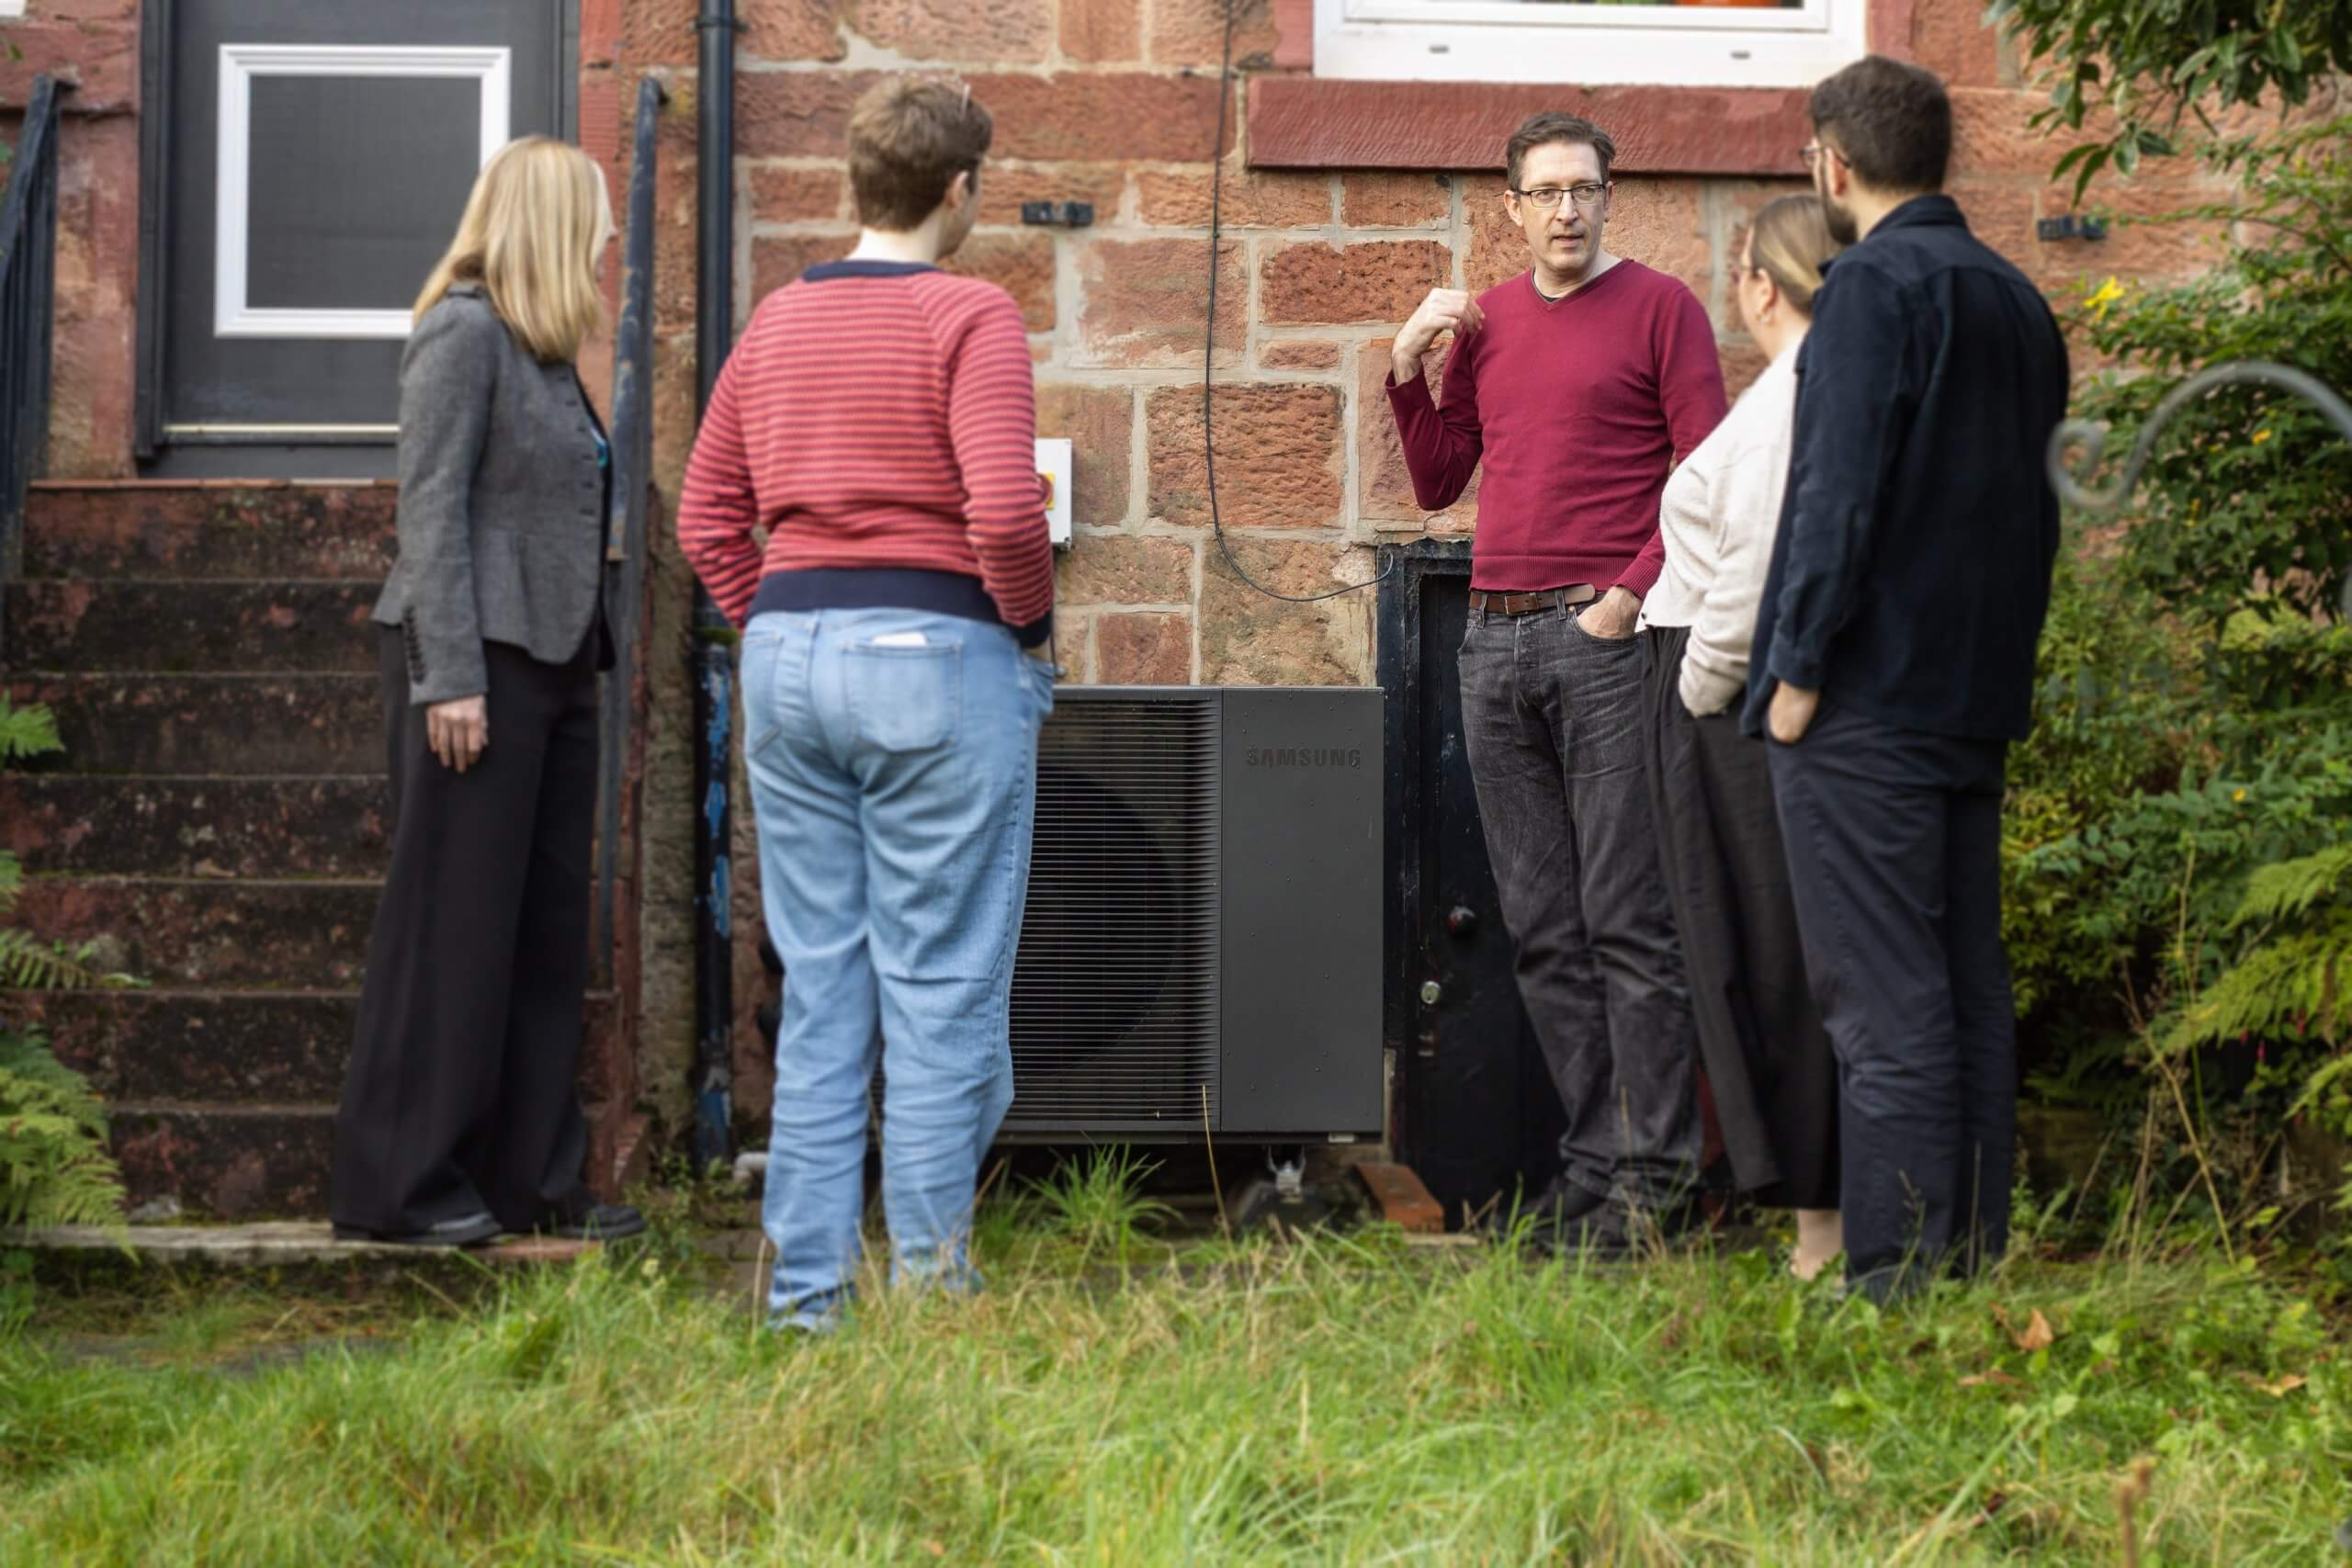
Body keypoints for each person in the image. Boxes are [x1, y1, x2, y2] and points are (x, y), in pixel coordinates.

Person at [677, 78, 1056, 1330]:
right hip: (936, 655)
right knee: (939, 987)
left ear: (858, 185)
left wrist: (777, 618)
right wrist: (1030, 627)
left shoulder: (777, 321)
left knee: (826, 986)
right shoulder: (973, 313)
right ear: (958, 191)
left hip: (786, 658)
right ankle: (936, 1286)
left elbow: (703, 518)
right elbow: (1005, 511)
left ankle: (804, 1301)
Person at [1744, 57, 2071, 1301]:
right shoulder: (2016, 298)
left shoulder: (1872, 287)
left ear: (1832, 161)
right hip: (1972, 699)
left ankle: (1895, 1287)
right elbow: (2031, 519)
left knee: (1882, 1005)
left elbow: (1838, 498)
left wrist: (1794, 673)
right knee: (1964, 990)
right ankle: (1967, 1268)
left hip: (1867, 702)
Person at [1385, 113, 1727, 1250]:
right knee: (1542, 929)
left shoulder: (1661, 308)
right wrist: (1405, 370)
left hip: (1602, 644)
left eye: (1585, 189)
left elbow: (1705, 476)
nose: (1568, 209)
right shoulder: (1486, 324)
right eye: (1546, 192)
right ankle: (1596, 1174)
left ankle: (1653, 1185)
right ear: (1513, 207)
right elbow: (1439, 482)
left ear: (1609, 197)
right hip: (1492, 643)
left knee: (1628, 922)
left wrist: (1625, 596)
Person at [333, 137, 644, 1247]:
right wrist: (449, 677)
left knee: (545, 935)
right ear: (554, 223)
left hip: (558, 664)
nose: (611, 237)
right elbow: (430, 516)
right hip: (479, 664)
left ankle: (532, 1183)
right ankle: (400, 1188)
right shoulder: (461, 333)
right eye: (599, 217)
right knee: (452, 930)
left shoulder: (545, 351)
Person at [1638, 196, 1844, 1281]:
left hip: (1724, 707)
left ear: (1761, 286)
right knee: (1764, 956)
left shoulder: (1786, 406)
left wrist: (1693, 689)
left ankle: (1817, 1226)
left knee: (1760, 959)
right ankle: (1816, 1217)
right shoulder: (1818, 392)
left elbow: (1750, 570)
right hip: (1738, 697)